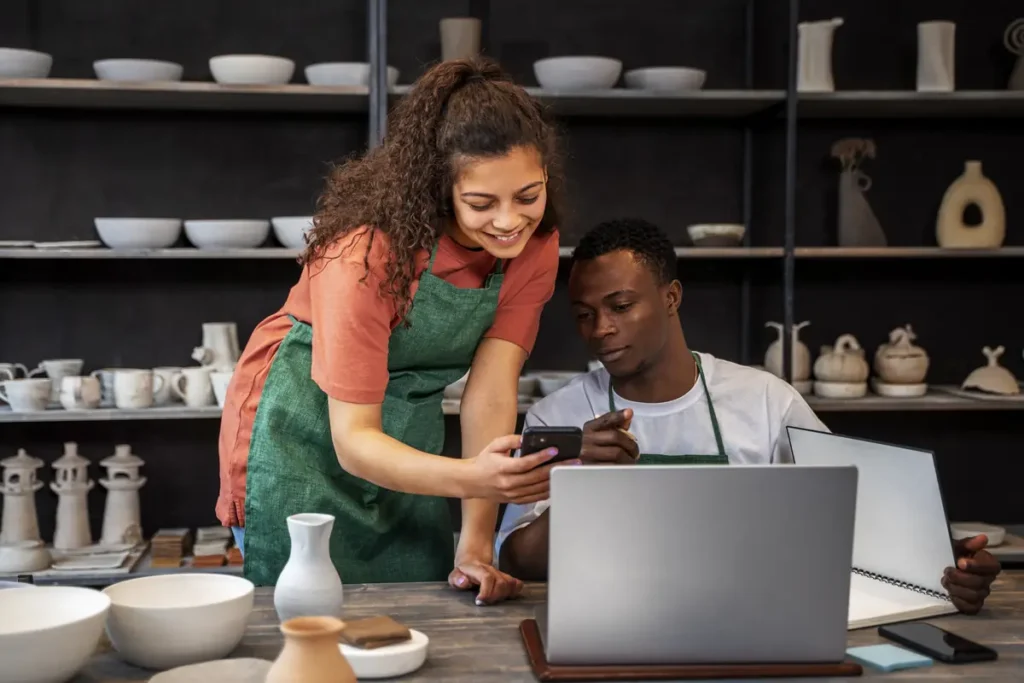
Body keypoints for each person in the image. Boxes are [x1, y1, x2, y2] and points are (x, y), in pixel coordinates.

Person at [496, 217, 1001, 615]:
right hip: (612, 618)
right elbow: (515, 558)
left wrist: (942, 562)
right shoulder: (558, 413)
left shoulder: (765, 400)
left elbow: (850, 516)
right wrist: (586, 491)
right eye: (584, 315)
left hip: (753, 614)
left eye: (621, 306)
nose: (600, 329)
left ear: (671, 297)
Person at [217, 56, 576, 603]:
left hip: (405, 425)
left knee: (417, 602)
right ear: (440, 189)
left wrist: (476, 543)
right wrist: (473, 477)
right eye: (481, 203)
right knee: (307, 609)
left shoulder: (534, 247)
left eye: (528, 195)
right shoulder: (365, 253)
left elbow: (491, 391)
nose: (510, 222)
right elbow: (354, 439)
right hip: (305, 427)